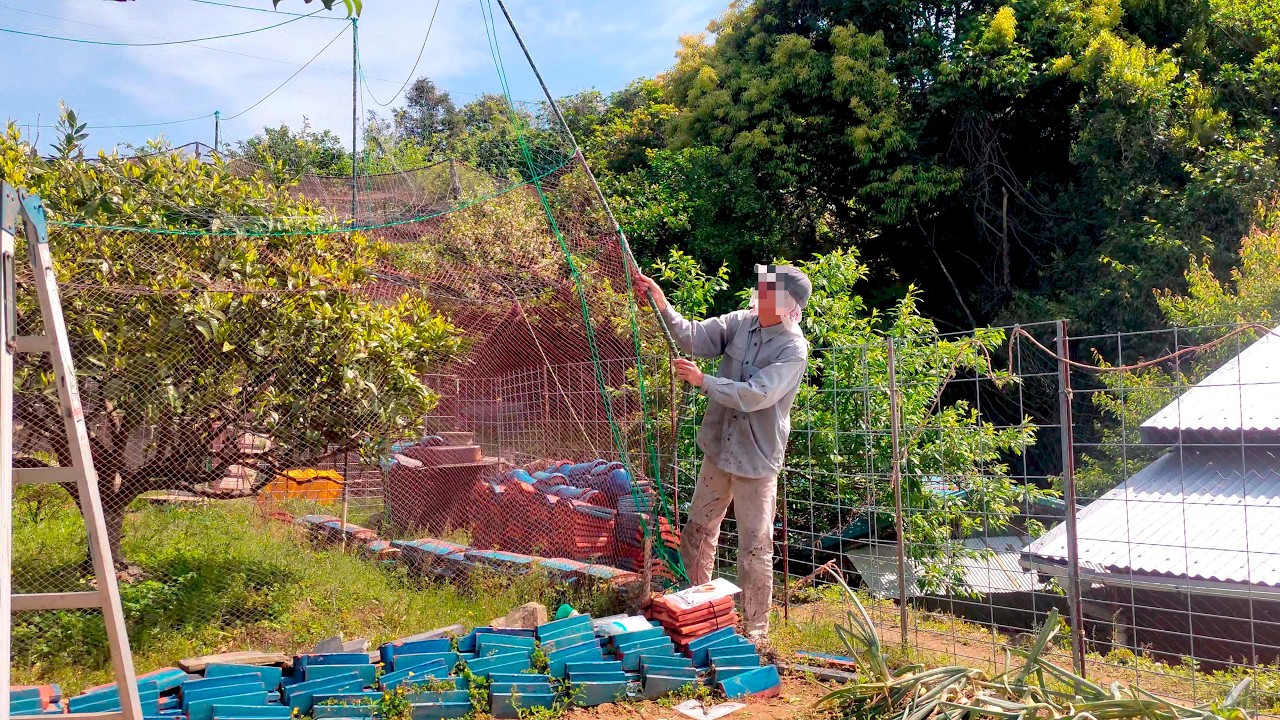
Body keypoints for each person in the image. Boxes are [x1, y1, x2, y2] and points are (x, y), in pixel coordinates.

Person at [631, 263, 811, 641]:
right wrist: (663, 306)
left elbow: (757, 394)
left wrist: (703, 381)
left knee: (755, 548)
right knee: (697, 531)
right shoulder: (740, 322)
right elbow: (695, 337)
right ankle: (697, 614)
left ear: (784, 303)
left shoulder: (793, 348)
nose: (758, 291)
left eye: (768, 288)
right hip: (719, 447)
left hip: (756, 459)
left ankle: (755, 633)